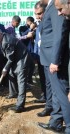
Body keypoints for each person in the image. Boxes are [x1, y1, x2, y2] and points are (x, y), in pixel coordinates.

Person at [37, 0, 70, 134]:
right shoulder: (51, 6)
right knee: (56, 93)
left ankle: (68, 126)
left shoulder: (57, 6)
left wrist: (55, 61)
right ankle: (56, 122)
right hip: (49, 57)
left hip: (54, 59)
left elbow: (59, 34)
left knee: (61, 94)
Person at [0, 28, 31, 113]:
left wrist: (5, 68)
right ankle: (13, 93)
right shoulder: (2, 38)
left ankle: (20, 105)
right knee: (11, 73)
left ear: (1, 34)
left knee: (21, 81)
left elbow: (10, 58)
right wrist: (6, 68)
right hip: (16, 58)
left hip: (22, 58)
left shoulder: (7, 42)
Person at [32, 2, 46, 103]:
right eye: (36, 14)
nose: (37, 16)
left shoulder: (49, 23)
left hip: (49, 58)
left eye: (39, 14)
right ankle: (44, 95)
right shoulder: (38, 26)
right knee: (42, 78)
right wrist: (36, 55)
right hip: (40, 56)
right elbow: (37, 42)